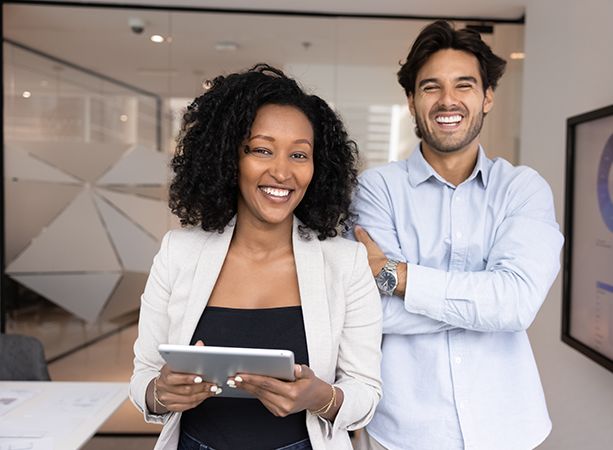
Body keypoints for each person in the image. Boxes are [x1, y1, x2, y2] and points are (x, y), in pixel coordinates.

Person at [129, 64, 383, 450]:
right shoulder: (178, 252)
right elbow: (144, 376)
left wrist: (320, 398)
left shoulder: (344, 264)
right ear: (230, 157)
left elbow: (366, 392)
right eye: (262, 150)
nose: (281, 171)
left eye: (299, 155)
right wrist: (161, 394)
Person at [352, 20, 564, 450]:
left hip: (510, 429)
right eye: (430, 87)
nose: (448, 101)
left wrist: (396, 276)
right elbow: (368, 310)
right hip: (403, 433)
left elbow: (517, 304)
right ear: (411, 102)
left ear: (487, 97)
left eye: (464, 85)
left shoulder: (523, 189)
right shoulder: (376, 189)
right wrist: (486, 304)